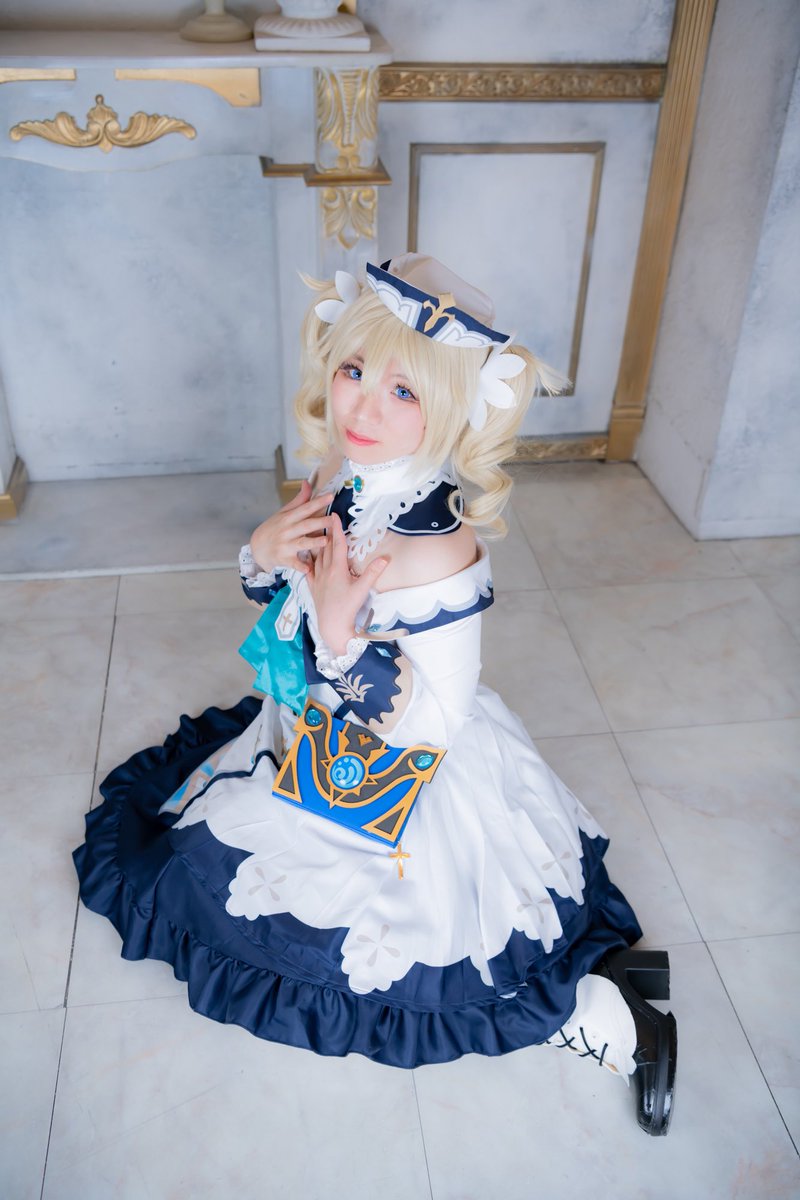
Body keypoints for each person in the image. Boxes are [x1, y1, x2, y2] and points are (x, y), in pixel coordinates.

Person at [74, 254, 677, 1136]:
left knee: (377, 958)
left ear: (450, 409)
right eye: (355, 370)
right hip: (310, 729)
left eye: (403, 391)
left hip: (404, 776)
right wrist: (264, 553)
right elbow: (288, 607)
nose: (362, 407)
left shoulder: (436, 548)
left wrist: (344, 637)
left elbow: (435, 721)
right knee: (189, 855)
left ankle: (607, 1018)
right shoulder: (346, 468)